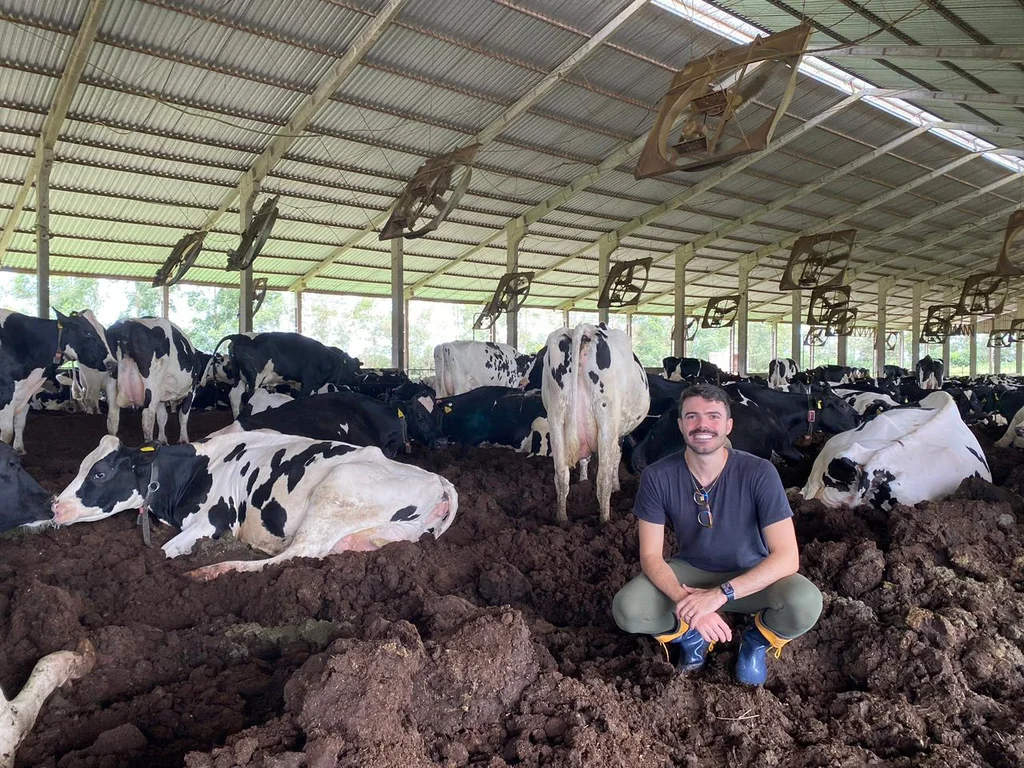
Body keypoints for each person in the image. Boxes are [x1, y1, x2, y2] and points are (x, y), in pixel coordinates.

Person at [612, 383, 822, 685]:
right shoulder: (657, 476)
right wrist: (690, 606)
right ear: (680, 424)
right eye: (692, 416)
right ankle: (690, 637)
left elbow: (787, 557)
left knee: (805, 602)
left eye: (713, 416)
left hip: (751, 572)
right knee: (628, 609)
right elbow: (650, 556)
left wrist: (719, 595)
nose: (703, 425)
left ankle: (755, 642)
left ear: (728, 425)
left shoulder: (759, 472)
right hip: (691, 572)